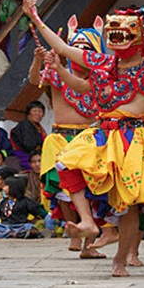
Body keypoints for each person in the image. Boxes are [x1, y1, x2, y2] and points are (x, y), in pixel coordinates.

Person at [22, 0, 144, 277]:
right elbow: (63, 46)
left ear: (140, 34)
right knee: (66, 163)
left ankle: (120, 260)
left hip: (135, 138)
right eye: (112, 28)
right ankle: (88, 222)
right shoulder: (104, 63)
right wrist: (35, 16)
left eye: (123, 28)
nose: (116, 33)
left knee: (130, 206)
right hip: (103, 133)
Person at [31, 15, 110, 258]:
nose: (80, 54)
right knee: (62, 189)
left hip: (90, 140)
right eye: (76, 48)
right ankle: (76, 234)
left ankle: (89, 243)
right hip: (60, 138)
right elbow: (35, 80)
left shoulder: (101, 79)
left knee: (93, 191)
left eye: (86, 50)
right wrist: (37, 62)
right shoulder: (56, 73)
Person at [10, 100, 47, 170]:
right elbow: (29, 146)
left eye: (40, 111)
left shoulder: (37, 126)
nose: (37, 114)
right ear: (28, 113)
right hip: (25, 156)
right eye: (34, 111)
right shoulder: (25, 126)